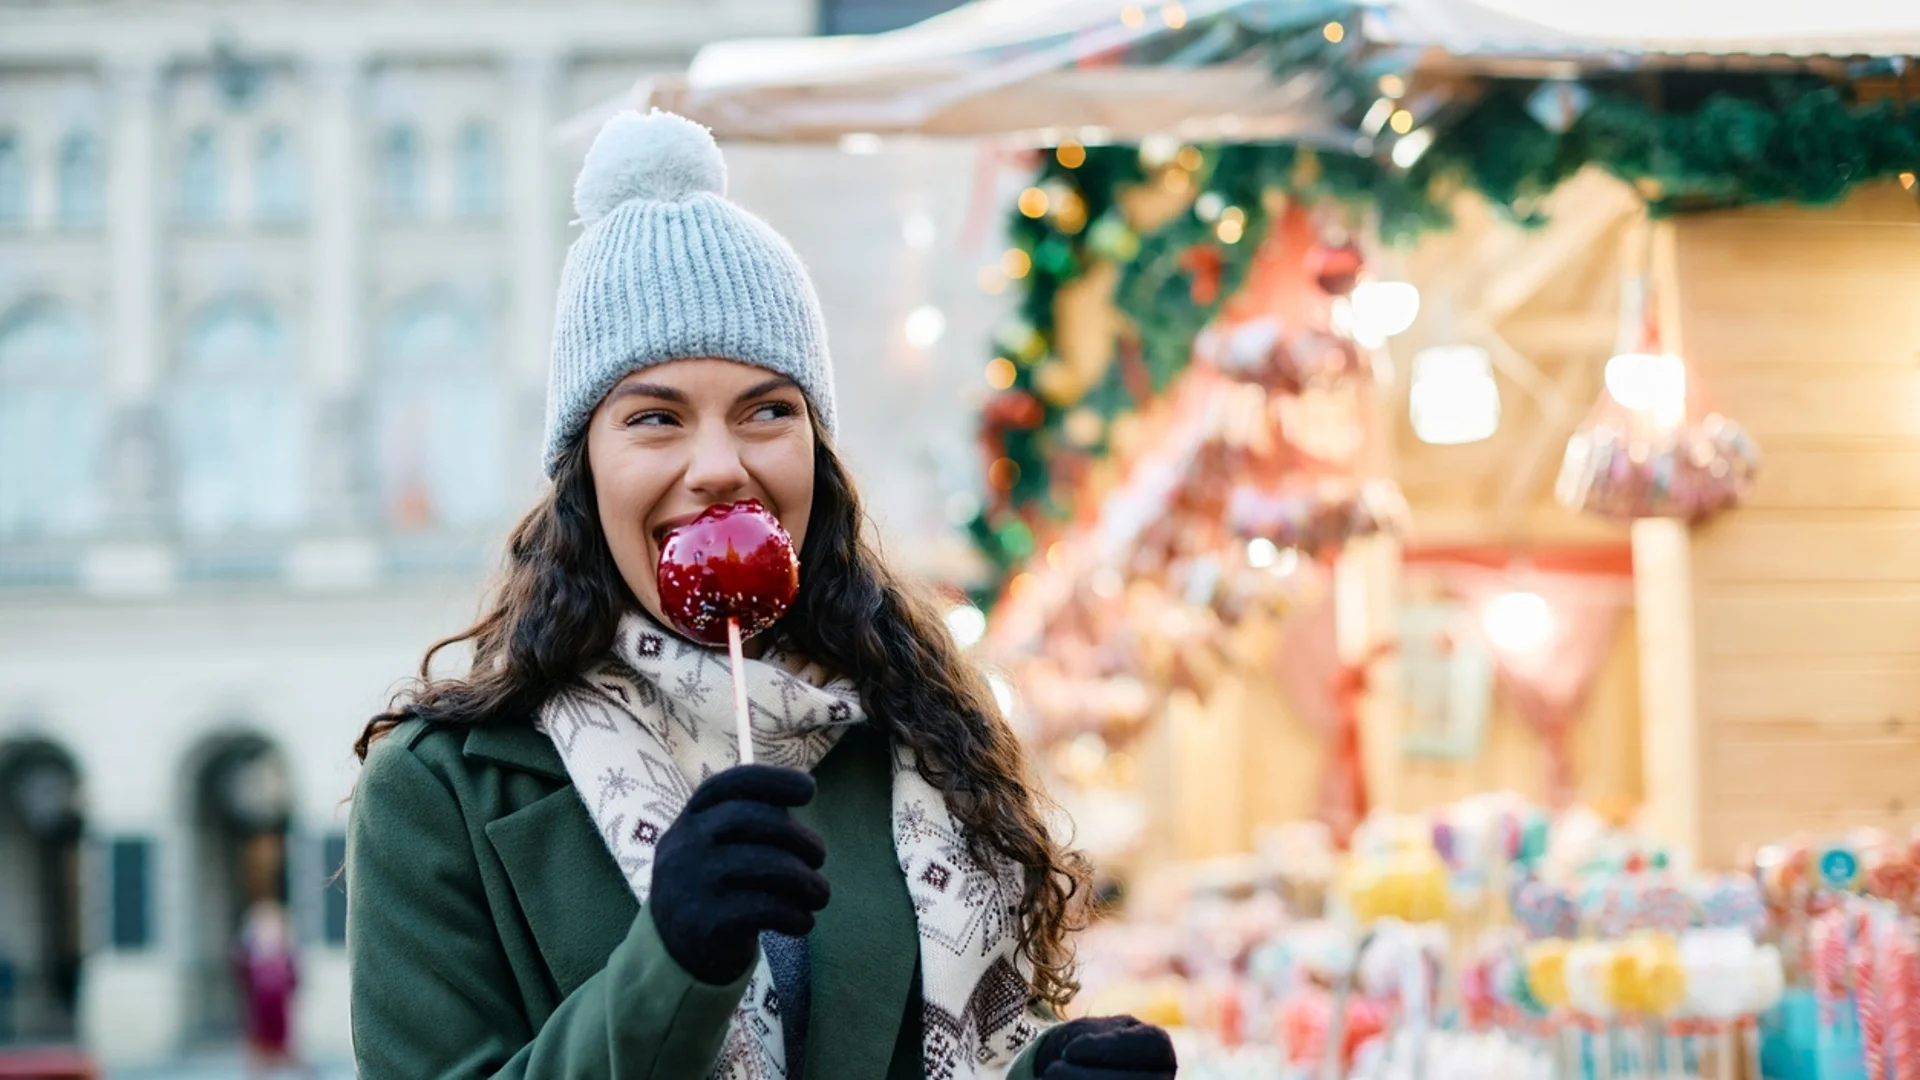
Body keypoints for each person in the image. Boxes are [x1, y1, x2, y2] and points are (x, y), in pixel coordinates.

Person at [345, 110, 1180, 1080]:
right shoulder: (437, 790)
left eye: (767, 411)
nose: (718, 467)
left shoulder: (906, 737)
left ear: (815, 454)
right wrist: (673, 962)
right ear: (584, 471)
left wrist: (1045, 1072)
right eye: (655, 418)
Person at [233, 900, 306, 1079]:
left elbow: (295, 980)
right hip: (260, 1012)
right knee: (260, 1057)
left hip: (279, 1012)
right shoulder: (250, 954)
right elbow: (243, 980)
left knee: (287, 1054)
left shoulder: (285, 953)